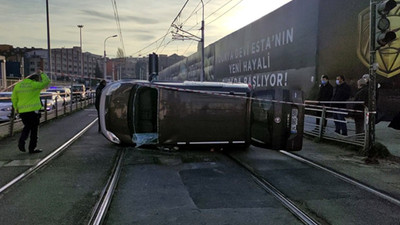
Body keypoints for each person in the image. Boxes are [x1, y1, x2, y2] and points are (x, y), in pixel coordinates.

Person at [11, 70, 50, 153]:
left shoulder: (18, 85)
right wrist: (42, 73)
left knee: (27, 127)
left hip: (22, 111)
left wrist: (16, 108)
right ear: (35, 80)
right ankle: (31, 148)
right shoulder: (34, 85)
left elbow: (14, 98)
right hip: (33, 111)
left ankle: (22, 141)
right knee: (34, 130)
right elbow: (47, 81)